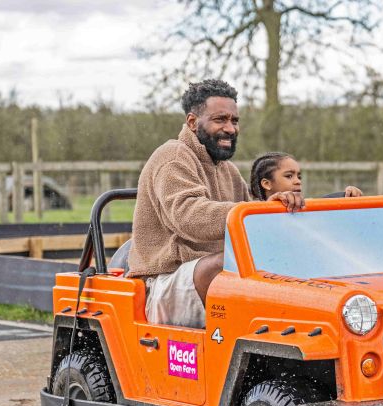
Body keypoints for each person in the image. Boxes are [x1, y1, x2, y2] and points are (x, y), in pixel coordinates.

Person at [127, 80, 303, 328]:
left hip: (212, 274)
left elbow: (251, 212)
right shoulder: (173, 157)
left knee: (274, 256)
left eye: (235, 121)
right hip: (166, 280)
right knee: (226, 265)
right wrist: (252, 211)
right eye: (220, 119)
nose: (230, 129)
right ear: (192, 122)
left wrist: (278, 205)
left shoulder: (226, 169)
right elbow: (189, 216)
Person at [249, 152, 364, 201]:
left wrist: (348, 195)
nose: (297, 181)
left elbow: (324, 202)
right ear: (267, 184)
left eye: (299, 177)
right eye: (289, 176)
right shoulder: (251, 215)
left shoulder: (305, 208)